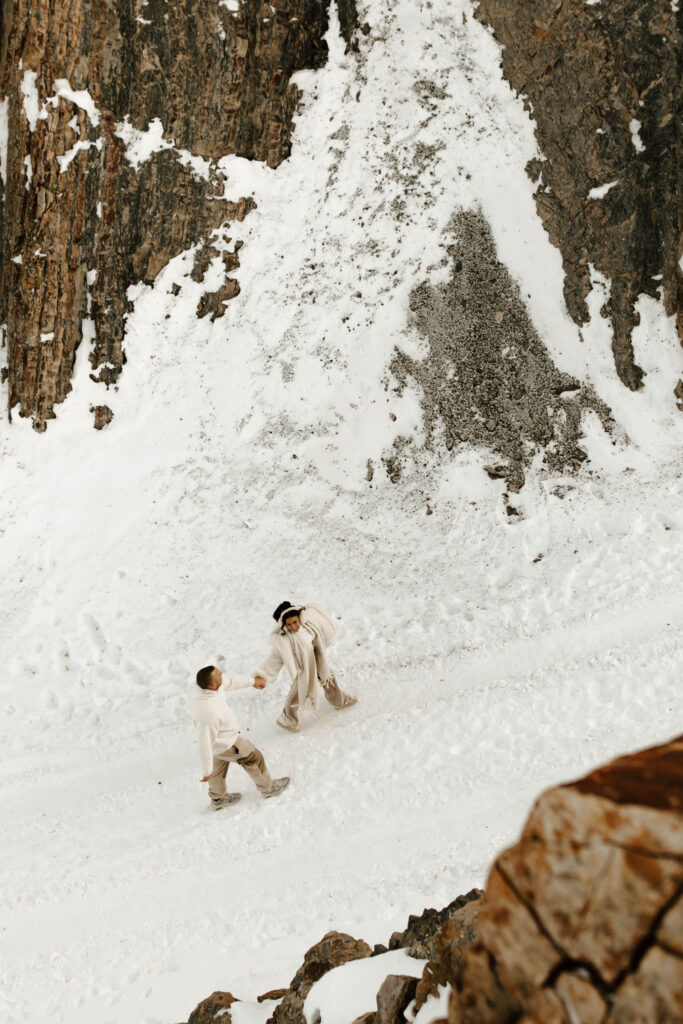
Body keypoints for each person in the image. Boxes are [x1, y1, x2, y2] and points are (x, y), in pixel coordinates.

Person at [191, 664, 290, 811]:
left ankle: (218, 799)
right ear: (212, 685)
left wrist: (253, 681)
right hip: (227, 742)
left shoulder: (206, 686)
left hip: (217, 744)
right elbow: (204, 743)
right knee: (253, 757)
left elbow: (229, 680)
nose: (222, 676)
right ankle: (268, 788)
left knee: (217, 768)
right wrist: (205, 771)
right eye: (219, 676)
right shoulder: (207, 713)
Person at [254, 601, 357, 733]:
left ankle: (338, 700)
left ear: (300, 619)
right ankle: (287, 718)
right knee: (297, 693)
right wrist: (262, 675)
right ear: (283, 625)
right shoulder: (285, 641)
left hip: (316, 659)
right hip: (303, 670)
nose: (293, 627)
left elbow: (318, 623)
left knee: (328, 676)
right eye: (289, 624)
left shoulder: (308, 627)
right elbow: (274, 660)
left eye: (295, 622)